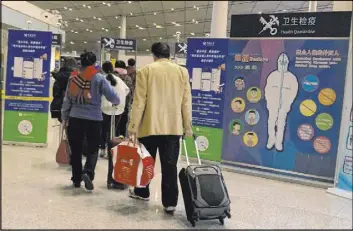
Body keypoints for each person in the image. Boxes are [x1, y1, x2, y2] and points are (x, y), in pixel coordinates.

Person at [128, 42, 192, 214]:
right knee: (170, 166)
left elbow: (139, 102)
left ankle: (142, 192)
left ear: (153, 54)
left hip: (149, 126)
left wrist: (133, 126)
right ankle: (170, 203)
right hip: (173, 127)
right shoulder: (181, 71)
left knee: (146, 162)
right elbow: (186, 102)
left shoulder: (146, 71)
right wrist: (187, 127)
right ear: (169, 55)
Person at [61, 51, 120, 191]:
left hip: (75, 117)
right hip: (94, 119)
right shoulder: (99, 78)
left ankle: (76, 179)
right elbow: (112, 96)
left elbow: (67, 99)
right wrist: (116, 101)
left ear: (81, 62)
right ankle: (88, 172)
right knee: (93, 149)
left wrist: (64, 117)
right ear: (94, 63)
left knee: (76, 149)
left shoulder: (73, 77)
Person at [99, 61, 130, 158]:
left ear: (103, 69)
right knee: (114, 130)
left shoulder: (102, 79)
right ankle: (112, 150)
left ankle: (103, 150)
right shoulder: (119, 80)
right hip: (118, 109)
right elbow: (127, 90)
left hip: (104, 108)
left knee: (103, 130)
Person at [50, 57, 78, 123]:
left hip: (57, 107)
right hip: (73, 108)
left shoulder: (58, 76)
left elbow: (55, 93)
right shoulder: (77, 77)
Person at [114, 60, 133, 137]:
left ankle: (111, 143)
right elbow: (129, 93)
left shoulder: (111, 77)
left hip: (112, 106)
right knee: (122, 126)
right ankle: (120, 144)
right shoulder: (128, 78)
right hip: (124, 106)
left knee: (113, 127)